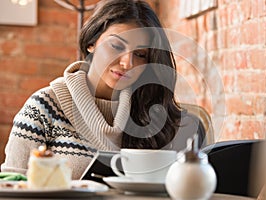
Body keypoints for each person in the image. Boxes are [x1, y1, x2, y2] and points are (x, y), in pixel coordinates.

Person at [1, 0, 205, 179]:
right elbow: (12, 184)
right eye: (116, 46)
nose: (128, 63)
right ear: (92, 42)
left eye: (141, 54)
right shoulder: (43, 107)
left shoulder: (150, 112)